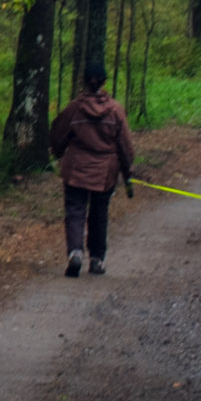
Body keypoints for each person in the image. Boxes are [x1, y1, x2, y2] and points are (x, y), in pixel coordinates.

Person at [50, 62, 135, 277]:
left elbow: (58, 134)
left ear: (84, 81)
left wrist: (58, 153)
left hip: (76, 169)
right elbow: (125, 146)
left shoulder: (74, 108)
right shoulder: (116, 110)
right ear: (104, 82)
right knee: (99, 214)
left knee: (75, 211)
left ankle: (75, 253)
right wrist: (126, 174)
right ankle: (97, 259)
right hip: (105, 173)